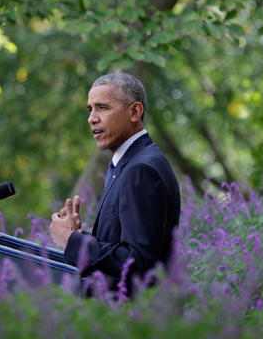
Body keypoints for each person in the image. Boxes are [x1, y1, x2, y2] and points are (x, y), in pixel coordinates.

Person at [49, 72, 181, 292]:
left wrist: (73, 242)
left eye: (103, 107)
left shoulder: (141, 169)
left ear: (135, 112)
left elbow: (138, 261)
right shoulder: (127, 164)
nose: (92, 118)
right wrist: (81, 237)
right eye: (90, 109)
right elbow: (125, 248)